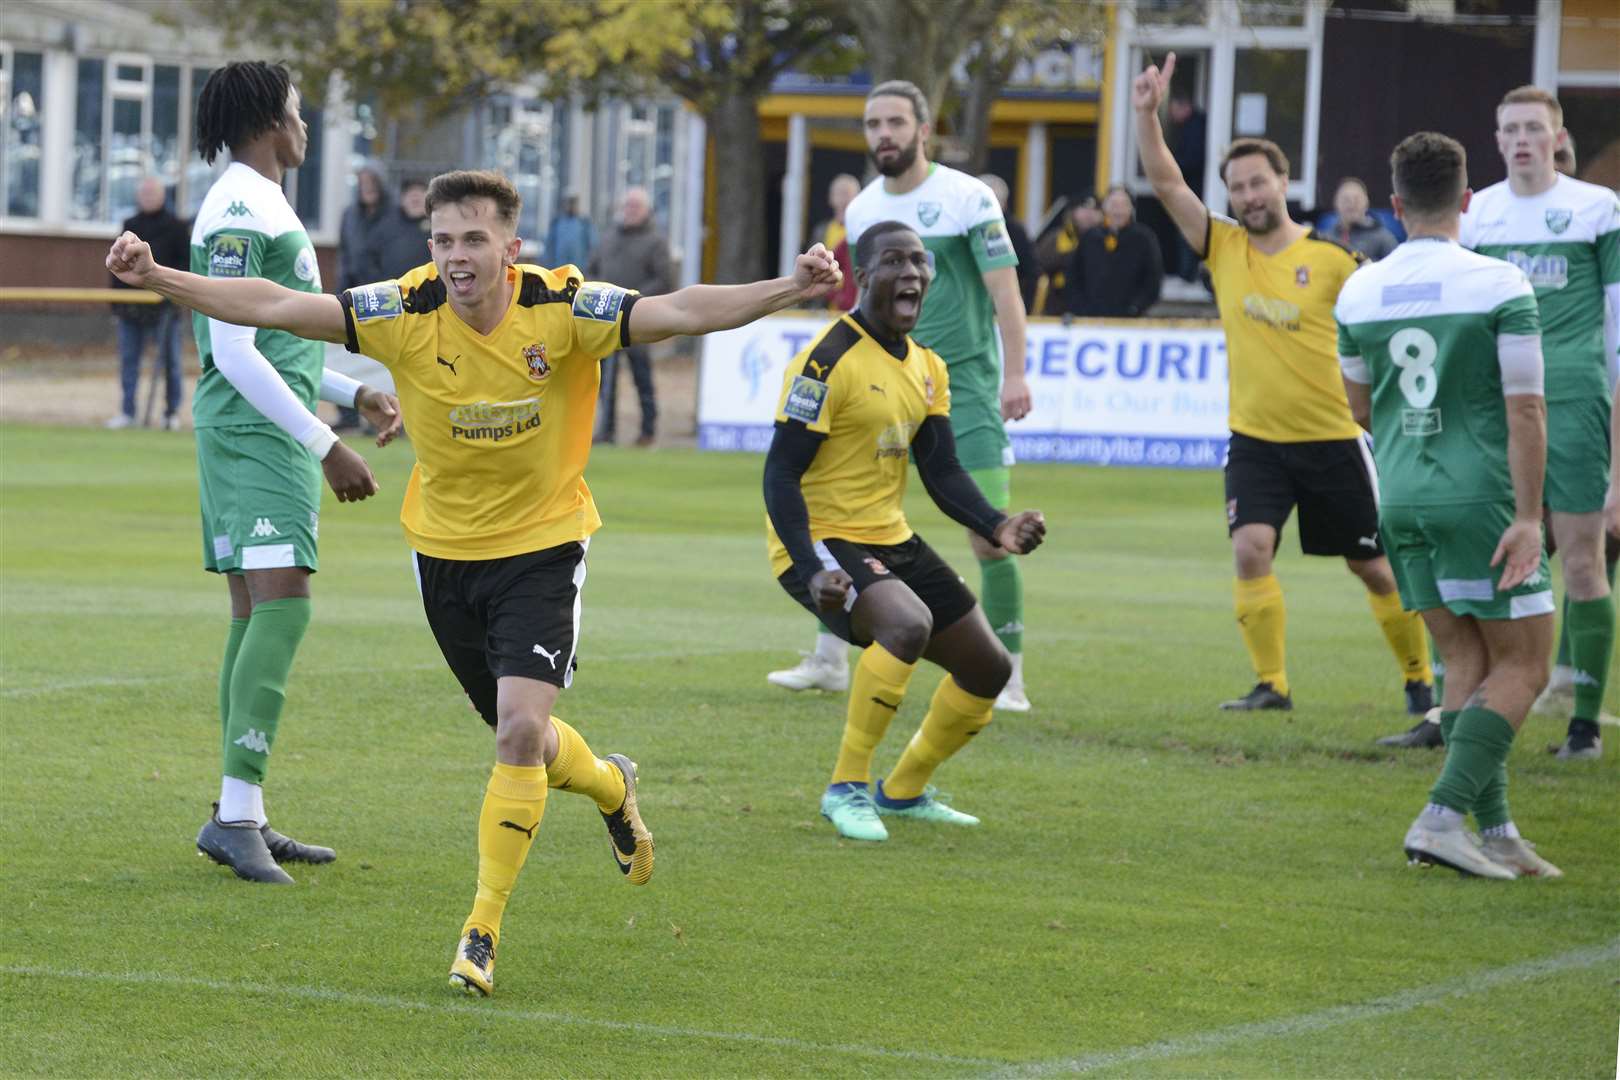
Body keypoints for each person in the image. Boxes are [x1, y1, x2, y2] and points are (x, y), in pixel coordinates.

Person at [108, 168, 842, 994]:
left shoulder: (563, 304)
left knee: (518, 732)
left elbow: (677, 311)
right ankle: (610, 783)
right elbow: (278, 307)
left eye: (474, 240)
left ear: (510, 247)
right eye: (444, 240)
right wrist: (160, 277)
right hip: (443, 552)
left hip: (545, 543)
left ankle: (480, 932)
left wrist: (788, 287)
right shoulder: (404, 307)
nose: (456, 258)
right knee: (519, 737)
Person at [1134, 53, 1433, 715]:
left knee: (1374, 567)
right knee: (1251, 549)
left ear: (1283, 181)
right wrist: (1146, 116)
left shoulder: (1335, 262)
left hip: (1333, 438)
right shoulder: (1223, 246)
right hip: (1256, 441)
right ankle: (1272, 685)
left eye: (1258, 183)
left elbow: (1383, 336)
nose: (1248, 196)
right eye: (1237, 187)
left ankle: (1420, 680)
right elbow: (1165, 181)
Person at [172, 61, 401, 885]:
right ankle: (237, 815)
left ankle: (241, 813)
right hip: (255, 435)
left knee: (253, 610)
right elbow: (233, 350)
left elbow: (275, 343)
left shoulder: (258, 201)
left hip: (249, 426)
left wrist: (351, 390)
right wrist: (325, 442)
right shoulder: (239, 205)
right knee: (285, 606)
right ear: (271, 120)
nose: (306, 127)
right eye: (299, 113)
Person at [763, 220, 1046, 840]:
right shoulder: (826, 360)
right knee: (906, 624)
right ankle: (846, 787)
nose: (912, 272)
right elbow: (780, 474)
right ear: (865, 275)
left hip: (889, 537)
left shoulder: (927, 367)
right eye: (895, 261)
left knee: (988, 671)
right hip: (822, 540)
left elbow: (941, 471)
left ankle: (904, 791)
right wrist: (812, 572)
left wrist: (998, 525)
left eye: (920, 262)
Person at [769, 80, 1036, 712]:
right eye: (872, 124)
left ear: (923, 129)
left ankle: (1012, 675)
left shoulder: (967, 197)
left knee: (986, 536)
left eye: (894, 122)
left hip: (960, 384)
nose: (882, 134)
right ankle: (830, 658)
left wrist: (1015, 374)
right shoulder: (860, 209)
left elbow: (1005, 292)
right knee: (846, 512)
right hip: (874, 383)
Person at [1338, 130, 1560, 879]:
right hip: (1481, 498)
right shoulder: (1500, 284)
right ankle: (1439, 818)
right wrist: (1529, 517)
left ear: (1395, 206)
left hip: (1400, 496)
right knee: (1527, 663)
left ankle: (1493, 830)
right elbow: (1526, 410)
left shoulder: (1358, 288)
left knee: (1465, 656)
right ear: (1467, 201)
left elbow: (1359, 407)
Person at [1447, 86, 1617, 761]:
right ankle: (1474, 704)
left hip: (1573, 400)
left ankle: (1585, 723)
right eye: (1509, 128)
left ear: (1556, 135)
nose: (1521, 139)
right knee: (1488, 559)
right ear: (1496, 139)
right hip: (1495, 411)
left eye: (1533, 128)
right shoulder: (1479, 214)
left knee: (1581, 560)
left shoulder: (1596, 210)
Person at [589, 186, 670, 447]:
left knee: (641, 378)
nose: (630, 211)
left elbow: (664, 279)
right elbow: (591, 269)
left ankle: (648, 431)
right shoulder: (608, 237)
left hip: (638, 319)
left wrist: (633, 301)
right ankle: (607, 430)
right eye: (627, 206)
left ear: (646, 211)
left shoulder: (655, 241)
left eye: (636, 206)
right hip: (604, 319)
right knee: (604, 380)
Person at [107, 175, 189, 430]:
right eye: (144, 193)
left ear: (163, 196)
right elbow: (116, 264)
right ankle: (127, 412)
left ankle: (170, 413)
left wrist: (177, 298)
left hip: (164, 306)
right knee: (129, 361)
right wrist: (116, 303)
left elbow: (185, 264)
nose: (148, 198)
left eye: (153, 193)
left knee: (170, 362)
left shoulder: (176, 226)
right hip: (131, 306)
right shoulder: (129, 225)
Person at [335, 161, 393, 430]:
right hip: (353, 296)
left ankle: (386, 414)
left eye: (372, 183)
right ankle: (347, 415)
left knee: (383, 360)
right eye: (362, 183)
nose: (367, 188)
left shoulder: (393, 216)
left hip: (385, 297)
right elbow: (345, 254)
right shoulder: (350, 215)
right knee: (346, 356)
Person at [1066, 185, 1164, 317]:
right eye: (1113, 204)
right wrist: (1081, 308)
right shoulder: (1090, 237)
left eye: (1123, 205)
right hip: (1091, 318)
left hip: (1130, 320)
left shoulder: (1144, 238)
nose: (1118, 210)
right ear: (1104, 208)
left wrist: (1136, 307)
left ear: (1131, 208)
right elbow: (1074, 277)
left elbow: (1153, 280)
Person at [981, 173, 1039, 313]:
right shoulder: (961, 230)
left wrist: (1025, 311)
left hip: (1004, 308)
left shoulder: (1016, 232)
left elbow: (1032, 273)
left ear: (1004, 203)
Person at [1036, 194, 1100, 316]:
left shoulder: (1106, 240)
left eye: (1095, 210)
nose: (1089, 214)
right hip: (1058, 303)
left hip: (1095, 303)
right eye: (1084, 209)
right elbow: (1040, 266)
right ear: (1072, 212)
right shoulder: (1056, 238)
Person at [1168, 91, 1208, 283]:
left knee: (1187, 230)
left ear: (1185, 107)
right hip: (1193, 188)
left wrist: (1172, 166)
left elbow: (1192, 160)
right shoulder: (1193, 126)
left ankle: (1187, 274)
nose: (1171, 115)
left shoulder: (1195, 128)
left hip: (1194, 189)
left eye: (1173, 109)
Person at [815, 175, 862, 313]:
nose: (844, 200)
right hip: (825, 308)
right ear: (830, 198)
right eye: (839, 194)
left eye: (848, 194)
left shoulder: (862, 231)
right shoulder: (822, 231)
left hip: (855, 307)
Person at [1326, 178, 1398, 262]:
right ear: (1336, 203)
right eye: (1346, 199)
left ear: (1366, 203)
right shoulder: (1327, 238)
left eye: (1357, 199)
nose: (1351, 204)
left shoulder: (1383, 238)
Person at [373, 177, 431, 280]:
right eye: (410, 192)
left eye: (420, 191)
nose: (415, 195)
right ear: (402, 200)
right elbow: (370, 257)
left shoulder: (437, 226)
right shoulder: (386, 225)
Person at [545, 190, 596, 271]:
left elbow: (593, 245)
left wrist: (588, 265)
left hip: (579, 269)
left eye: (574, 202)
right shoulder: (557, 222)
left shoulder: (584, 222)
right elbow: (549, 246)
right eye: (569, 202)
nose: (571, 205)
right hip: (559, 269)